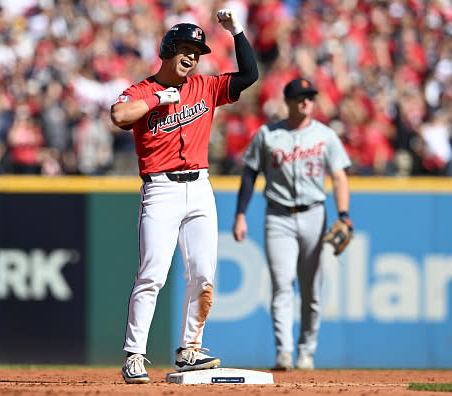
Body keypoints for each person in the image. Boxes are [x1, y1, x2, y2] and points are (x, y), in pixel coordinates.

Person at [110, 10, 258, 384]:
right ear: (168, 50)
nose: (192, 56)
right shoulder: (144, 90)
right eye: (186, 48)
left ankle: (190, 349)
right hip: (160, 189)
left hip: (200, 186)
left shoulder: (204, 87)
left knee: (204, 273)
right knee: (153, 274)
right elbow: (119, 115)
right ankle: (134, 354)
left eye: (197, 50)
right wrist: (158, 100)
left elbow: (249, 75)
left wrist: (235, 31)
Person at [232, 78, 352, 371]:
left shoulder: (325, 135)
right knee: (282, 285)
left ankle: (306, 351)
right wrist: (240, 214)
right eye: (299, 96)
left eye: (310, 96)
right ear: (287, 101)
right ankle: (284, 352)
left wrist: (344, 215)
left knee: (311, 291)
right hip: (278, 216)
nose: (305, 101)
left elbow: (339, 177)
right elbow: (249, 174)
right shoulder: (267, 134)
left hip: (315, 214)